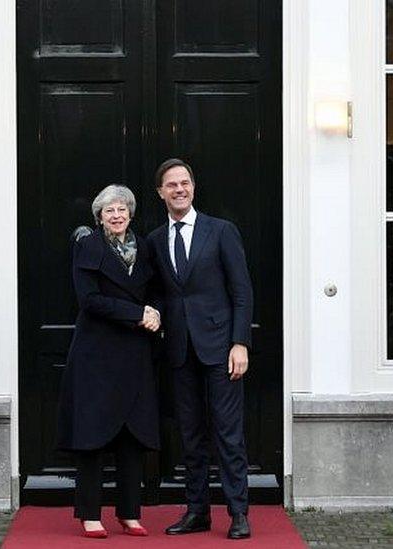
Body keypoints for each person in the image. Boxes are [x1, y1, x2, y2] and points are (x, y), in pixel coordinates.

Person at [146, 158, 254, 540]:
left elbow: (242, 291)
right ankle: (197, 512)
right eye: (171, 184)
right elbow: (159, 292)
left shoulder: (221, 231)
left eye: (185, 183)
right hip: (178, 351)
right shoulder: (156, 240)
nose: (179, 189)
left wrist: (240, 342)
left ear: (193, 187)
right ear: (160, 192)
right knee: (190, 436)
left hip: (221, 349)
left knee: (228, 434)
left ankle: (239, 513)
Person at [56, 184, 161, 538]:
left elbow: (156, 292)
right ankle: (90, 514)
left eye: (121, 209)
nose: (116, 215)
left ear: (130, 213)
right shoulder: (89, 246)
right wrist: (137, 312)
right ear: (99, 216)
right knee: (93, 435)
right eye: (108, 210)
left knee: (132, 434)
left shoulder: (144, 247)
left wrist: (156, 314)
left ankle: (129, 512)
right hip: (96, 356)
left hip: (134, 354)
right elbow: (90, 300)